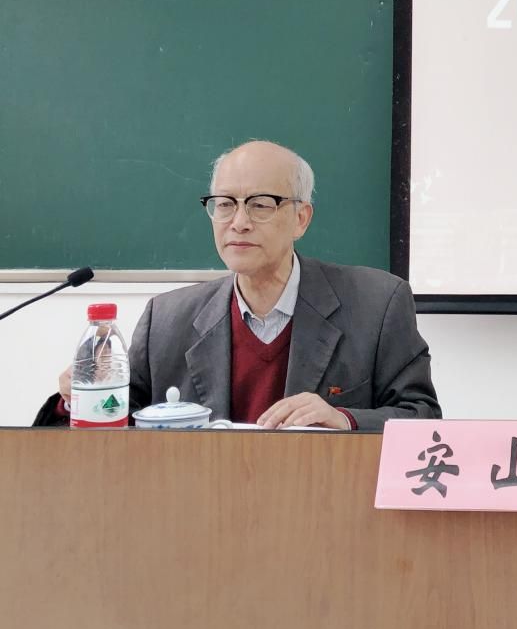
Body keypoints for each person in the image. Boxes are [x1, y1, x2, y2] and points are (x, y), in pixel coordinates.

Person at [34, 141, 439, 431]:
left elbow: (422, 417)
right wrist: (77, 398)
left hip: (322, 507)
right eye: (225, 204)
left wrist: (345, 419)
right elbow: (113, 426)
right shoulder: (168, 319)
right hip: (203, 511)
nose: (239, 222)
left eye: (260, 204)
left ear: (301, 218)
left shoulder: (376, 304)